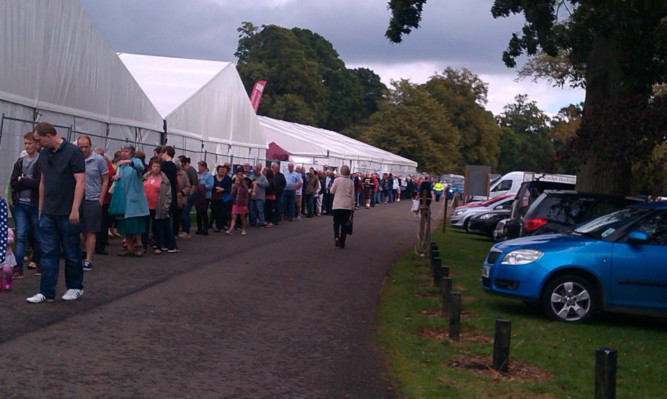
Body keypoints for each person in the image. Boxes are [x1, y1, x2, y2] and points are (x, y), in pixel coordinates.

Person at [27, 122, 86, 303]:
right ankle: (46, 291)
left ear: (48, 135)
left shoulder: (73, 152)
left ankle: (75, 286)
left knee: (71, 251)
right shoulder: (44, 155)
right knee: (47, 252)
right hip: (48, 212)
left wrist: (75, 208)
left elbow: (80, 181)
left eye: (38, 140)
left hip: (67, 211)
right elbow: (43, 182)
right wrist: (40, 209)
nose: (37, 144)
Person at [9, 132, 42, 278]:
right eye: (26, 144)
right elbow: (13, 183)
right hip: (21, 204)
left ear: (36, 144)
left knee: (37, 234)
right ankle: (18, 267)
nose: (27, 146)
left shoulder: (41, 162)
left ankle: (39, 262)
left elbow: (38, 183)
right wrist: (23, 182)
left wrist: (22, 180)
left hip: (35, 203)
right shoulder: (20, 162)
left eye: (30, 143)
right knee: (21, 235)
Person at [111, 144, 150, 257]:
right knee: (125, 225)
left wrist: (130, 162)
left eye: (126, 151)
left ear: (132, 153)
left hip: (134, 199)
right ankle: (128, 247)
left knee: (135, 224)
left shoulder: (135, 161)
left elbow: (141, 168)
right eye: (122, 151)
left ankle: (139, 245)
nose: (123, 153)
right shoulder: (119, 165)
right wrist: (115, 178)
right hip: (123, 199)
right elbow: (118, 177)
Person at [77, 135, 109, 272]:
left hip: (92, 198)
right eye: (81, 147)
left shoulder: (99, 160)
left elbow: (105, 179)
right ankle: (83, 249)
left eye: (86, 147)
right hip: (78, 199)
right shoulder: (75, 158)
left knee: (91, 230)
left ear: (90, 146)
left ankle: (88, 259)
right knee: (75, 228)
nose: (83, 150)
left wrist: (101, 198)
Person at [142, 158, 177, 254]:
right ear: (150, 167)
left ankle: (158, 246)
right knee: (144, 226)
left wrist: (166, 206)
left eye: (158, 166)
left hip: (158, 206)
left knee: (157, 227)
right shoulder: (146, 177)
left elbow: (168, 194)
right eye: (154, 166)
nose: (156, 168)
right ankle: (143, 246)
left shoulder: (164, 180)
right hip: (145, 205)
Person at [93, 147, 115, 256]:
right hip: (91, 197)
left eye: (101, 154)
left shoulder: (107, 165)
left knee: (102, 222)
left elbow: (110, 176)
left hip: (104, 199)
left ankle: (101, 244)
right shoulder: (89, 163)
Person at [330, 165, 355, 249]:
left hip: (337, 204)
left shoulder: (337, 180)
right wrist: (353, 206)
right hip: (347, 205)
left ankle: (336, 236)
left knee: (336, 222)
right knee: (344, 223)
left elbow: (332, 191)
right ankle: (342, 241)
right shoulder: (351, 182)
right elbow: (352, 195)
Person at [177, 156, 198, 238]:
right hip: (184, 194)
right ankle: (182, 229)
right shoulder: (183, 171)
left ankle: (186, 231)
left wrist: (190, 194)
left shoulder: (190, 170)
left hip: (189, 194)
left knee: (185, 212)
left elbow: (194, 183)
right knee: (182, 212)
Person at [0, 197, 16, 291]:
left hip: (6, 254)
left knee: (6, 270)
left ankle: (9, 279)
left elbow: (11, 240)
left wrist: (5, 240)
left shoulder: (7, 230)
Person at [194, 161, 214, 235]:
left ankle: (205, 229)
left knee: (204, 212)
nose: (198, 168)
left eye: (200, 166)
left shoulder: (209, 176)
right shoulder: (197, 175)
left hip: (206, 196)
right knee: (198, 212)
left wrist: (202, 187)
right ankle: (199, 228)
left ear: (204, 167)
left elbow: (211, 185)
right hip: (198, 196)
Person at [211, 165, 231, 232]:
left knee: (223, 211)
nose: (222, 171)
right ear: (217, 171)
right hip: (215, 197)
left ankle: (224, 224)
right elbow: (211, 186)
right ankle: (218, 226)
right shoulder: (213, 178)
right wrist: (216, 188)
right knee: (216, 211)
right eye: (221, 170)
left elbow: (229, 188)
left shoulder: (227, 179)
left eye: (223, 170)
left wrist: (223, 189)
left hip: (224, 197)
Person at [249, 163, 269, 227]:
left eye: (256, 171)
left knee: (260, 210)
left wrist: (258, 183)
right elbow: (248, 184)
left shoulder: (263, 177)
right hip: (253, 196)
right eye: (254, 172)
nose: (255, 173)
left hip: (260, 196)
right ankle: (253, 222)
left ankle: (261, 222)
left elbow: (267, 184)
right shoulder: (252, 177)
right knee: (252, 210)